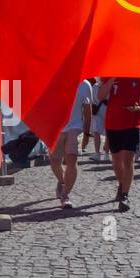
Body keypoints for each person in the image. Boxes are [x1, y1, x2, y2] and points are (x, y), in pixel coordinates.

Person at [99, 76, 140, 212]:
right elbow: (100, 96)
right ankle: (121, 183)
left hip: (132, 124)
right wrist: (111, 79)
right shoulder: (110, 75)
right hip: (112, 123)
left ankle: (125, 196)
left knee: (128, 161)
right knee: (116, 162)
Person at [49, 78, 93, 208]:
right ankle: (62, 182)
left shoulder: (85, 85)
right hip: (56, 128)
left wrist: (86, 133)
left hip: (75, 128)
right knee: (54, 161)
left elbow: (87, 111)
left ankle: (65, 195)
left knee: (71, 161)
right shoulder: (54, 79)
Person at [91, 87, 110, 160]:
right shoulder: (111, 85)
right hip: (108, 110)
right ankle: (106, 154)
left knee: (96, 132)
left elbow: (92, 99)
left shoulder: (95, 86)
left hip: (98, 111)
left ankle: (97, 153)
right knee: (108, 131)